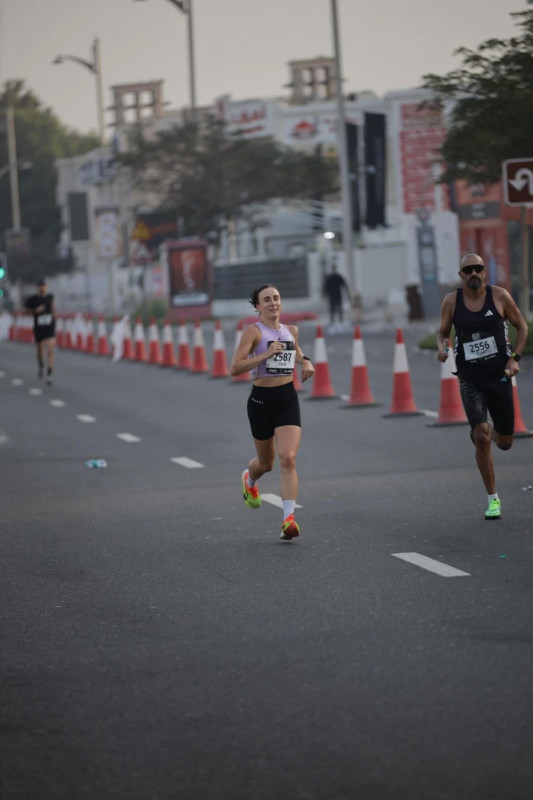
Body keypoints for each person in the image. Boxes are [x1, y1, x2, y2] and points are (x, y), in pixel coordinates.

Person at [437, 253, 528, 520]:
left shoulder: (499, 296)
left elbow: (522, 326)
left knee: (506, 443)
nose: (474, 273)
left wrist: (515, 358)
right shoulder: (451, 301)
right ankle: (493, 498)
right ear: (461, 275)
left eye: (478, 268)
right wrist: (442, 347)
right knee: (480, 436)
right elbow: (443, 332)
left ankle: (488, 432)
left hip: (499, 375)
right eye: (468, 270)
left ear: (484, 271)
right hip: (470, 378)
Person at [230, 285, 315, 540]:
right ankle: (250, 480)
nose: (273, 303)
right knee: (266, 464)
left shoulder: (291, 331)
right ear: (258, 307)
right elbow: (235, 368)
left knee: (288, 458)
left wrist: (305, 361)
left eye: (276, 298)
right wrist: (265, 354)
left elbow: (295, 351)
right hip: (260, 402)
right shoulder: (253, 332)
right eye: (266, 300)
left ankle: (288, 520)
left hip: (287, 399)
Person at [24, 278, 56, 385]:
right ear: (37, 287)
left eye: (44, 286)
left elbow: (53, 308)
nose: (42, 288)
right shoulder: (32, 299)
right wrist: (35, 310)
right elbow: (25, 310)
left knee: (50, 348)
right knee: (40, 348)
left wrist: (54, 313)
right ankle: (41, 364)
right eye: (41, 286)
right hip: (39, 327)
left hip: (49, 325)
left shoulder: (50, 297)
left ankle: (50, 373)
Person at [322, 262, 349, 333]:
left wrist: (347, 295)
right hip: (332, 296)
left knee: (339, 310)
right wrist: (325, 294)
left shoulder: (338, 277)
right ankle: (333, 324)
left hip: (337, 296)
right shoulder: (329, 278)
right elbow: (325, 287)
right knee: (332, 311)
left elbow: (344, 286)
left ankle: (340, 323)